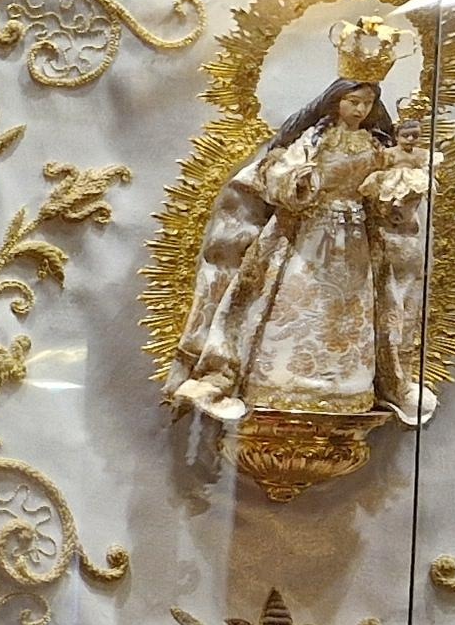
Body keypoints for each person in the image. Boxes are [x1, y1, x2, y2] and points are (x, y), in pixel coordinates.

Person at [169, 35, 436, 433]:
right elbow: (279, 172)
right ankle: (276, 380)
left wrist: (399, 185)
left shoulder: (377, 146)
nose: (360, 110)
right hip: (307, 237)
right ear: (336, 100)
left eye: (367, 103)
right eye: (353, 101)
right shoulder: (314, 138)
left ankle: (346, 386)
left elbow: (386, 198)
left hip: (356, 245)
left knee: (351, 311)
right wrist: (299, 181)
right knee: (292, 299)